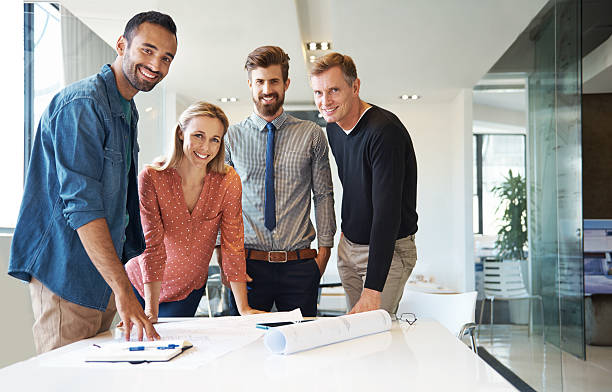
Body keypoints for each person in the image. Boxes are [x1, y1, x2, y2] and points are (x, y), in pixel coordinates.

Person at [8, 11, 178, 353]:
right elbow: (83, 206)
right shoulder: (83, 105)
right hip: (67, 277)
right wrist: (124, 290)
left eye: (166, 58)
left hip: (103, 284)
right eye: (147, 50)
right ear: (121, 45)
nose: (156, 64)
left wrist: (119, 288)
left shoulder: (126, 110)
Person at [222, 46, 336, 317]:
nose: (266, 89)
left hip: (299, 264)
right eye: (259, 82)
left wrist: (324, 252)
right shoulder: (231, 137)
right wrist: (222, 256)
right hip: (247, 265)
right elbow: (221, 202)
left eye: (274, 81)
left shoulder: (311, 134)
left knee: (302, 349)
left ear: (286, 83)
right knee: (244, 351)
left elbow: (323, 195)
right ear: (250, 85)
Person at [125, 101, 263, 320]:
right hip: (139, 284)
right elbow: (151, 245)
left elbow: (233, 243)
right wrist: (151, 311)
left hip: (187, 290)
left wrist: (243, 308)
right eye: (198, 135)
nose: (205, 147)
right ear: (181, 133)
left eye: (214, 139)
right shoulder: (152, 177)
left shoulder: (228, 181)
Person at [309, 52, 418, 315]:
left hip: (386, 251)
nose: (325, 101)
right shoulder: (334, 127)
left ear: (355, 87)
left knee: (376, 338)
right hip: (350, 248)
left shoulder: (384, 132)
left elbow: (386, 214)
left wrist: (373, 290)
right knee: (357, 339)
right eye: (318, 93)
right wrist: (347, 234)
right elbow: (352, 185)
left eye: (334, 90)